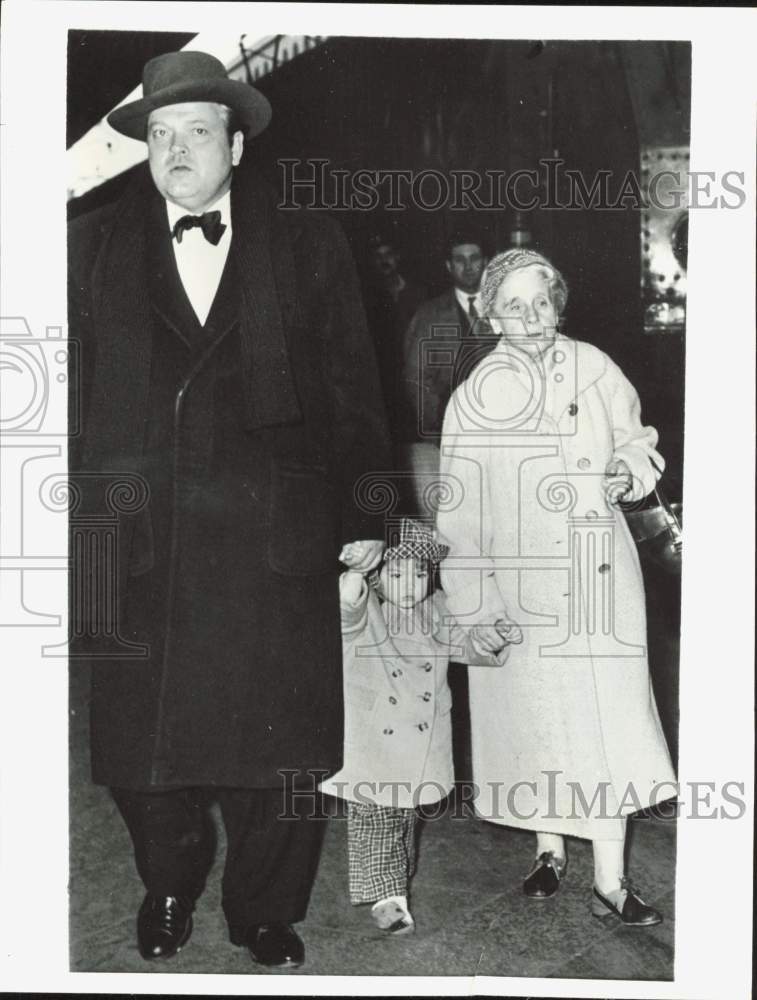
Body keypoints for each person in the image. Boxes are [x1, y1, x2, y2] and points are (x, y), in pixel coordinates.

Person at [68, 50, 390, 968]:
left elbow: (356, 390)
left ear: (235, 145)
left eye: (195, 131)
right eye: (158, 134)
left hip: (273, 533)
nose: (175, 150)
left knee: (276, 751)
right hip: (135, 537)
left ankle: (264, 907)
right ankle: (169, 883)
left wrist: (367, 517)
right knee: (139, 750)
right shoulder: (86, 246)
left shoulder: (309, 242)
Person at [436, 248, 677, 926]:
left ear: (557, 301)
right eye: (513, 306)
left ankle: (610, 877)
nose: (532, 317)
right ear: (489, 315)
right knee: (538, 723)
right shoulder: (474, 398)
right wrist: (475, 605)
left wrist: (629, 470)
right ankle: (548, 848)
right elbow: (459, 512)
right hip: (522, 593)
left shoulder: (594, 365)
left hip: (600, 579)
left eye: (541, 300)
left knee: (603, 726)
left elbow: (637, 437)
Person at [320, 520, 519, 934]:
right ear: (377, 578)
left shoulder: (438, 608)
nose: (410, 584)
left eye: (420, 572)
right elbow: (346, 608)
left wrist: (492, 637)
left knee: (403, 816)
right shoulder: (366, 610)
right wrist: (356, 569)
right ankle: (388, 897)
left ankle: (395, 883)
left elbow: (467, 646)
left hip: (421, 736)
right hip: (371, 735)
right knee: (375, 817)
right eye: (395, 574)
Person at [401, 230, 499, 513]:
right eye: (459, 260)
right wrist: (439, 429)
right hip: (451, 437)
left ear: (487, 262)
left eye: (475, 258)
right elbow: (416, 379)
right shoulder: (429, 315)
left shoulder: (508, 309)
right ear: (448, 266)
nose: (468, 267)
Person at [362, 235, 427, 443]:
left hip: (417, 374)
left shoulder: (418, 294)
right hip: (385, 379)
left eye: (389, 254)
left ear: (398, 257)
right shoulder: (366, 298)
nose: (384, 261)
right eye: (378, 256)